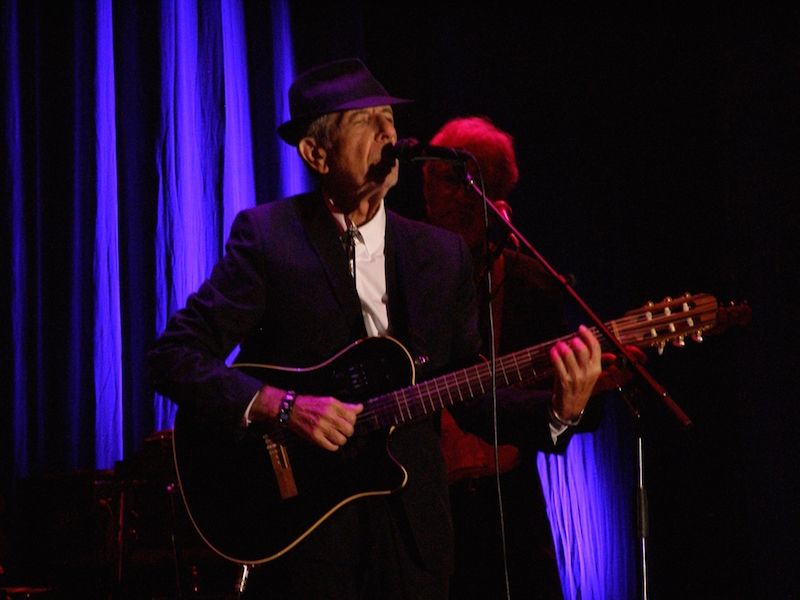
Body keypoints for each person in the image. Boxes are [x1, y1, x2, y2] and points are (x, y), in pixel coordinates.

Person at [146, 58, 601, 599]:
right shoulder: (270, 239)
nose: (389, 132)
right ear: (316, 153)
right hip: (308, 539)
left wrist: (558, 411)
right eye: (363, 120)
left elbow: (470, 393)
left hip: (414, 542)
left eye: (388, 117)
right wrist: (281, 406)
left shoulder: (440, 255)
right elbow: (174, 356)